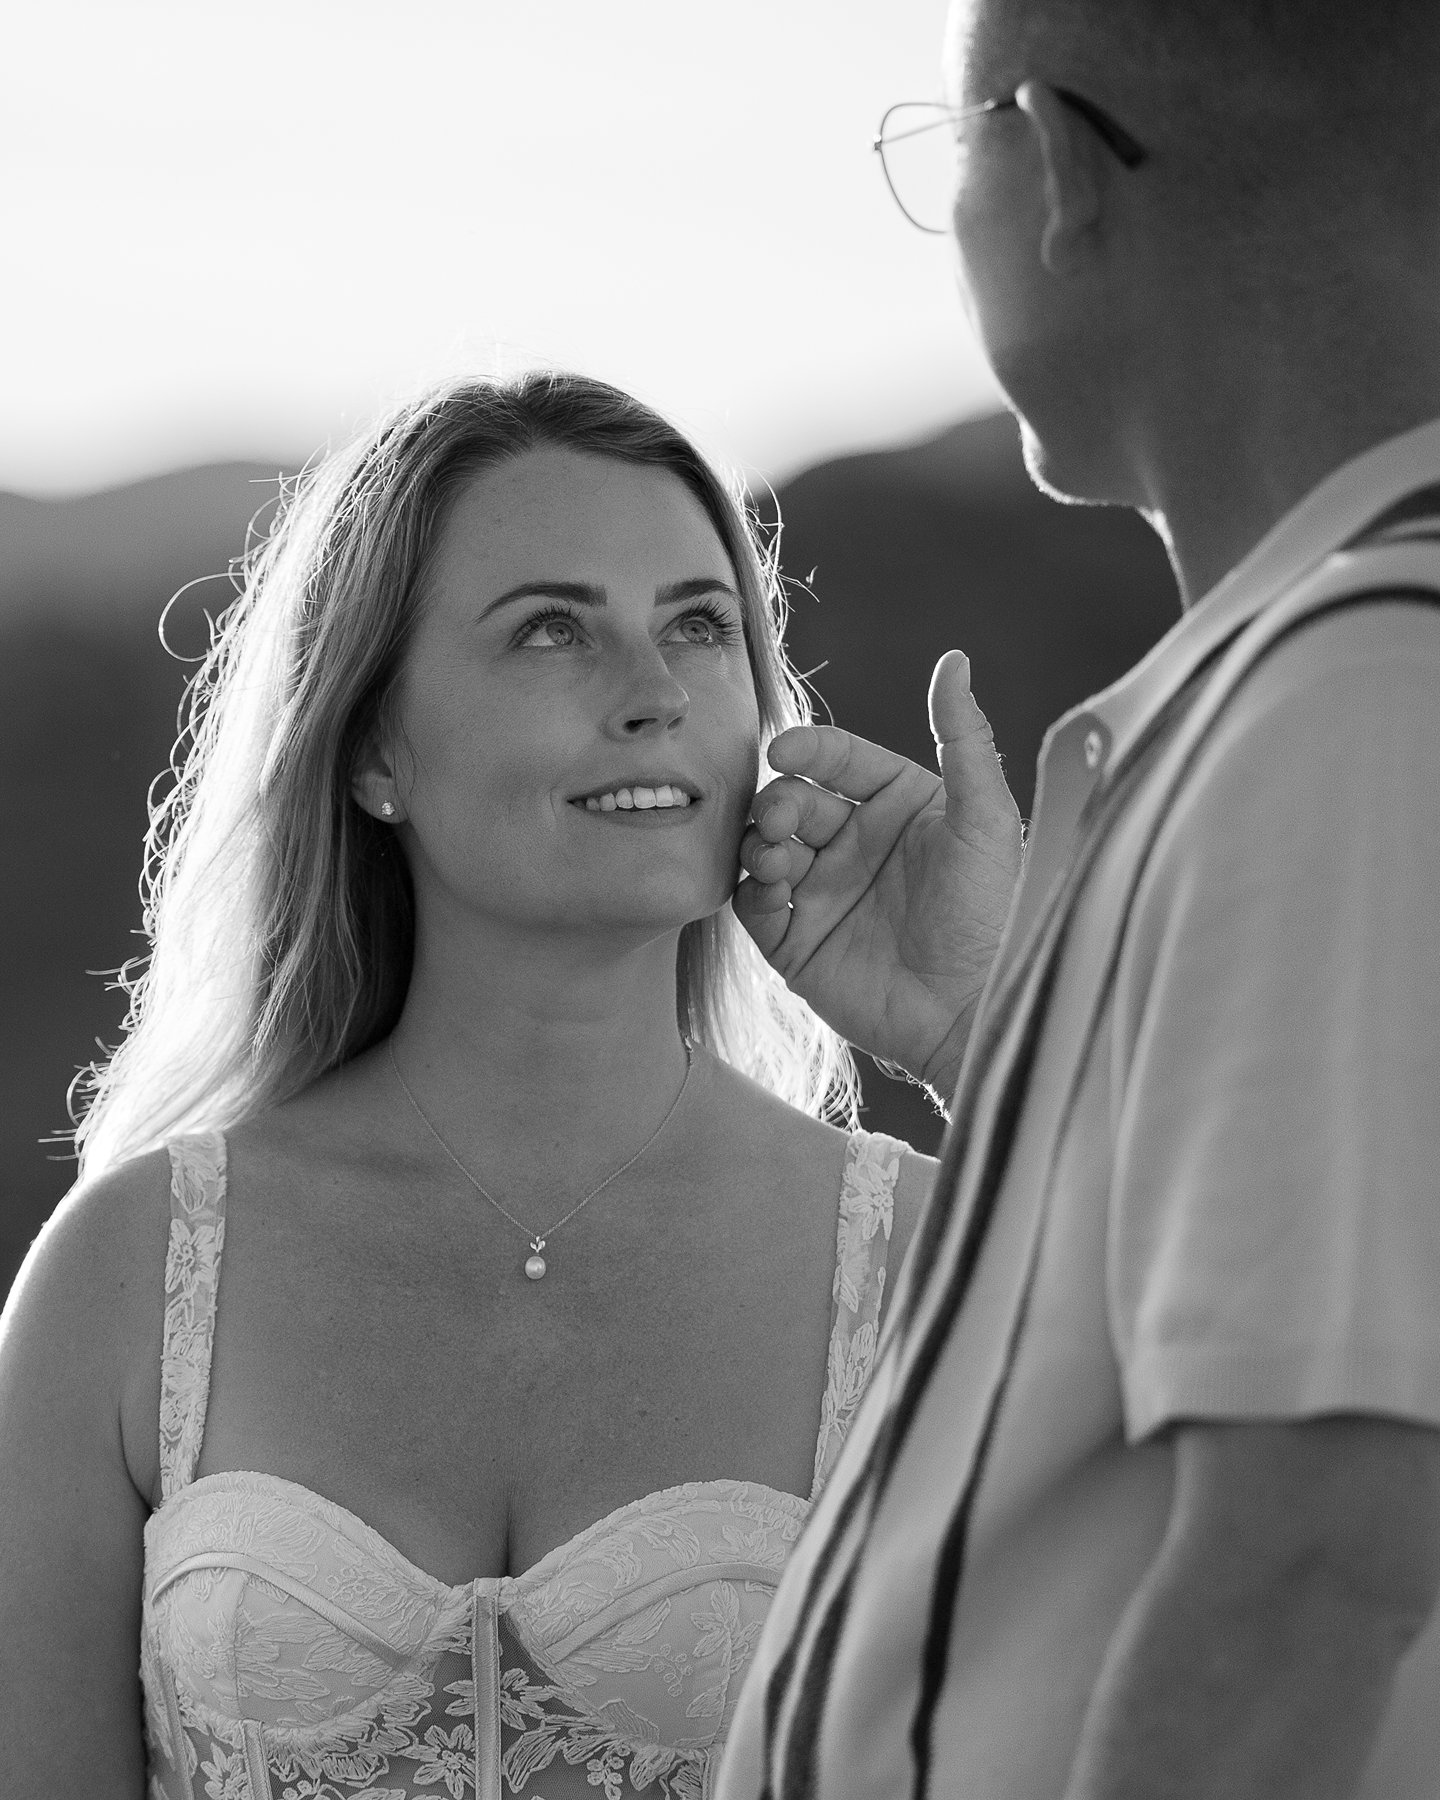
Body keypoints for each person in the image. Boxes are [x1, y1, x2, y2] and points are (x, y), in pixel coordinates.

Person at [0, 372, 957, 1796]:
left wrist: (972, 1029)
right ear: (376, 746)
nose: (655, 694)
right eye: (553, 631)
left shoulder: (936, 1255)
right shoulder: (131, 1273)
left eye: (701, 626)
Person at [716, 2, 1440, 1797]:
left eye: (946, 151)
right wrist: (994, 1032)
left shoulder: (1356, 690)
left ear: (1048, 166)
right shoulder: (1343, 680)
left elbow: (1315, 1562)